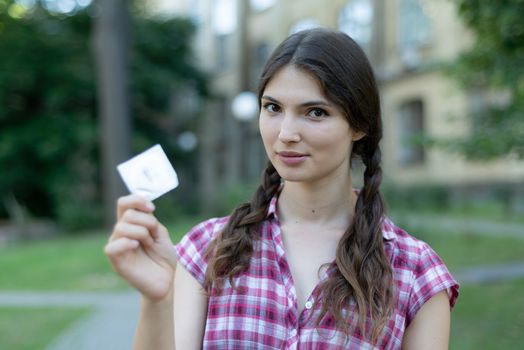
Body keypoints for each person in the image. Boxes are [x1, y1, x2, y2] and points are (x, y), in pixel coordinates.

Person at [105, 28, 459, 349]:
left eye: (315, 112)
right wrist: (158, 300)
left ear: (360, 125)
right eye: (273, 108)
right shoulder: (208, 250)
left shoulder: (415, 271)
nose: (286, 133)